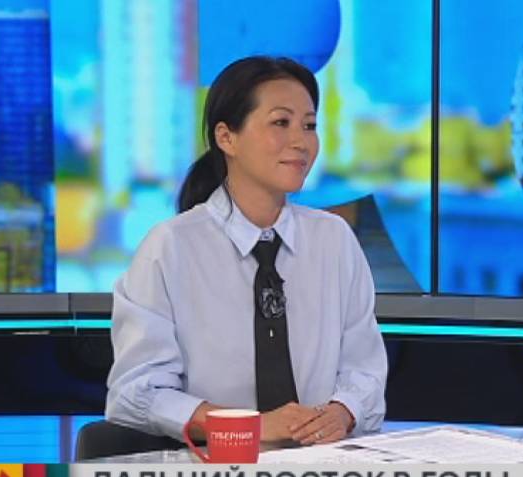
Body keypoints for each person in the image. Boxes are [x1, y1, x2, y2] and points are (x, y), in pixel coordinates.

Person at [105, 56, 387, 447]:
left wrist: (342, 413)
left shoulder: (334, 240)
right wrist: (247, 427)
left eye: (309, 125)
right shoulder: (171, 247)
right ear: (226, 138)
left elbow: (364, 369)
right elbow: (138, 392)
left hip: (322, 468)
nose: (301, 141)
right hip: (215, 472)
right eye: (281, 122)